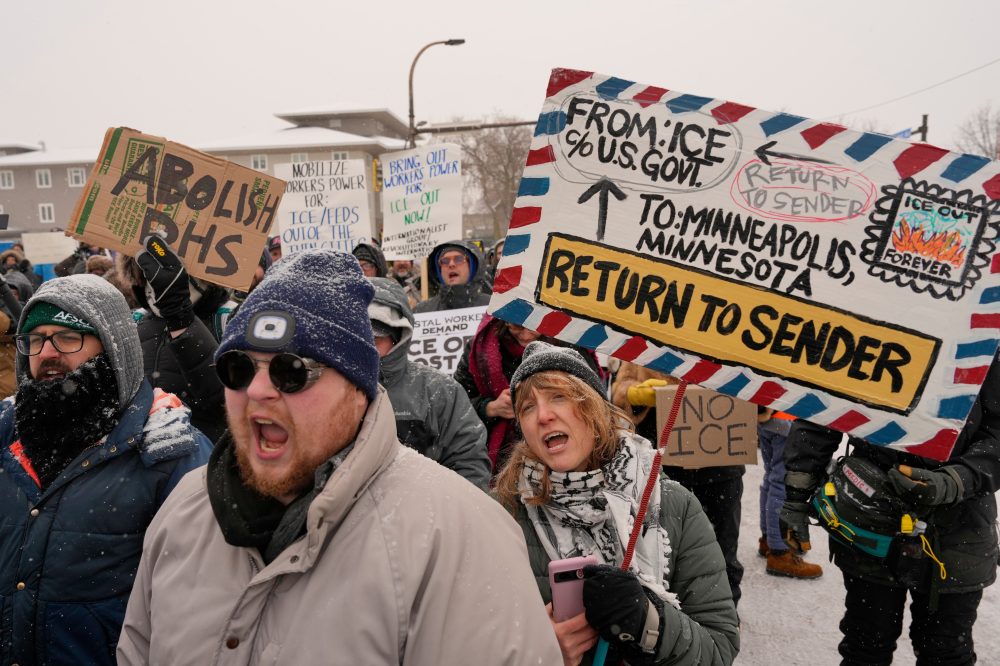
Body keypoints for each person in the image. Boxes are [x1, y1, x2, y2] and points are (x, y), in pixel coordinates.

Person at [118, 249, 562, 665]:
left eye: (292, 371)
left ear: (357, 390)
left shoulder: (459, 536)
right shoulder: (184, 511)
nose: (257, 390)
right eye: (238, 368)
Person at [0, 273, 212, 666]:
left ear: (112, 346)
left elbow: (201, 608)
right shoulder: (6, 434)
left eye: (67, 337)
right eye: (35, 339)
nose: (47, 353)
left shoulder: (169, 451)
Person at [494, 341, 740, 666]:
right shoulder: (501, 514)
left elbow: (718, 650)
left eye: (559, 397)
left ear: (594, 407)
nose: (543, 415)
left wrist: (648, 622)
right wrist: (535, 653)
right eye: (527, 407)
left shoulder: (674, 505)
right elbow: (464, 638)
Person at [782, 353, 1000, 665]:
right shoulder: (874, 323)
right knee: (866, 645)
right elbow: (823, 407)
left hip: (960, 528)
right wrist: (796, 495)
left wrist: (958, 480)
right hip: (870, 517)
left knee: (945, 652)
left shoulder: (990, 335)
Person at [611, 361, 746, 605]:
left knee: (724, 540)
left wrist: (747, 397)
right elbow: (620, 390)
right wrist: (635, 394)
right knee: (665, 540)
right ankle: (668, 603)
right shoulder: (651, 345)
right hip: (665, 458)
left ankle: (724, 606)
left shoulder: (734, 345)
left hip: (721, 457)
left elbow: (760, 393)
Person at [368, 277, 490, 488]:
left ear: (398, 338)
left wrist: (443, 507)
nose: (364, 348)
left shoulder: (440, 390)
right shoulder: (324, 387)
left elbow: (469, 462)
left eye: (374, 339)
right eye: (356, 338)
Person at [455, 314, 604, 475]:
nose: (525, 335)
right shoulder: (480, 348)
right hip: (501, 456)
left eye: (534, 325)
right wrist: (489, 408)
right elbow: (456, 405)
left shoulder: (568, 338)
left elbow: (594, 396)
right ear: (504, 321)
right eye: (516, 326)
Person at [118, 236, 228, 442]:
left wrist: (180, 317)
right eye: (150, 273)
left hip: (206, 454)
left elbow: (228, 403)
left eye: (173, 271)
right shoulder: (133, 324)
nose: (158, 282)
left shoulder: (228, 320)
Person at [756, 407, 822, 579]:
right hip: (786, 419)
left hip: (768, 418)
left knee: (772, 478)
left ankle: (769, 540)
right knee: (782, 484)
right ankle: (779, 552)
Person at [414, 240, 491, 313]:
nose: (451, 264)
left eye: (459, 259)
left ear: (472, 267)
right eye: (445, 261)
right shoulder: (422, 310)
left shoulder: (492, 306)